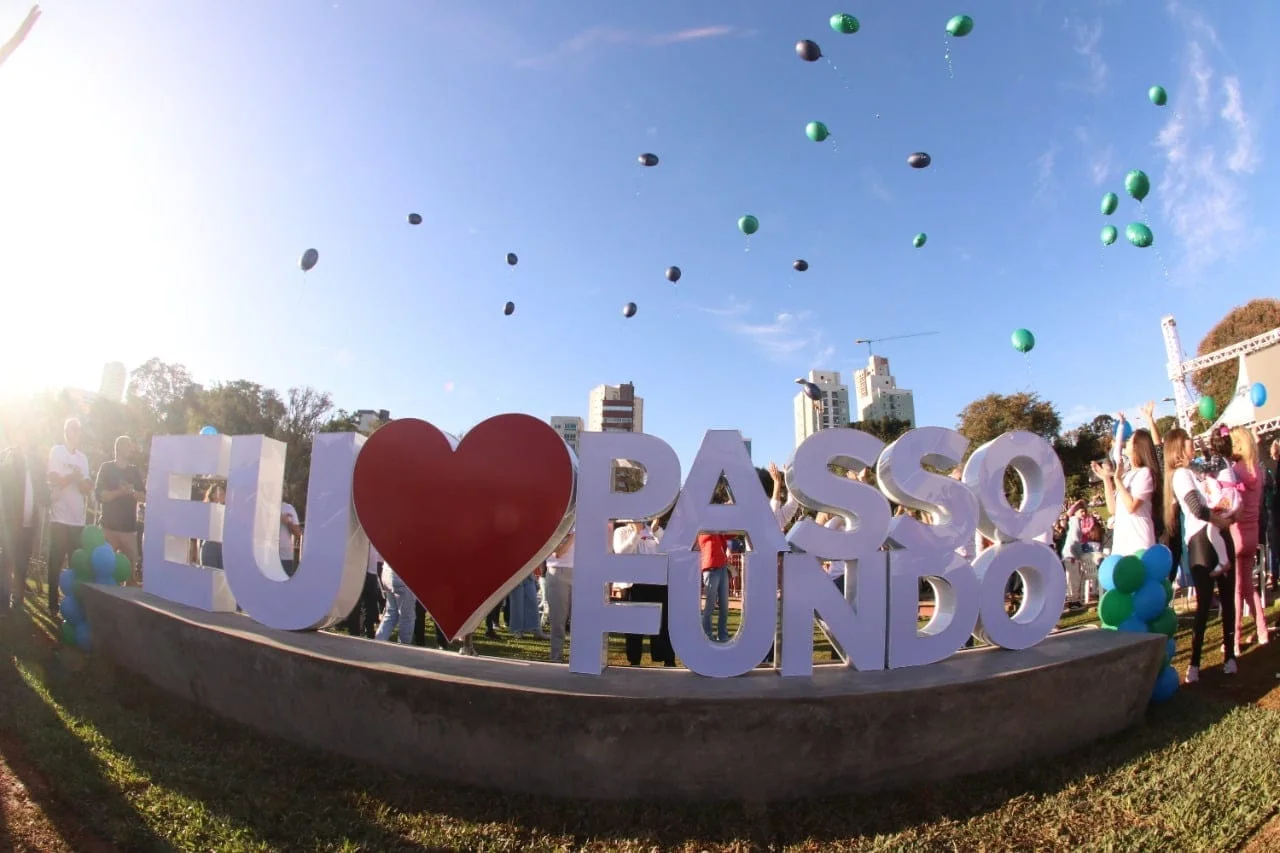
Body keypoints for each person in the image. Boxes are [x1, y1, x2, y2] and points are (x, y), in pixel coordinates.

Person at [1163, 428, 1236, 684]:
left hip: (1219, 534)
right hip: (1201, 541)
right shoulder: (1180, 475)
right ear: (1178, 448)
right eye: (1188, 442)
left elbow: (1218, 494)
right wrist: (1220, 521)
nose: (1193, 445)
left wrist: (1229, 512)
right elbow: (1196, 508)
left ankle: (1230, 656)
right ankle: (1194, 662)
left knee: (1227, 598)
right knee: (1204, 602)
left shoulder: (1196, 470)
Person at [1093, 420, 1163, 557]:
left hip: (1139, 542)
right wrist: (1106, 480)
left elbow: (1132, 506)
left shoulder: (1145, 473)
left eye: (1130, 440)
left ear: (1138, 447)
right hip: (1122, 543)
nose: (1127, 442)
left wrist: (1117, 480)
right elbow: (1113, 510)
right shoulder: (1126, 475)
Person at [613, 515, 676, 666]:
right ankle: (634, 661)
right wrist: (636, 533)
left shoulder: (652, 530)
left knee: (663, 623)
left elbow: (668, 549)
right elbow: (621, 552)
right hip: (634, 584)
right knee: (634, 625)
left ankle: (668, 659)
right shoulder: (621, 532)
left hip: (656, 582)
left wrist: (656, 530)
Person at [1229, 427, 1269, 655]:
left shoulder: (1235, 471)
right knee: (1247, 586)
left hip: (1236, 533)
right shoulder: (1258, 470)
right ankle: (1262, 630)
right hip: (1253, 533)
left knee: (1235, 590)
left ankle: (1234, 640)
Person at [46, 418, 90, 616]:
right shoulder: (57, 451)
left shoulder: (83, 458)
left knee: (76, 565)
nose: (76, 433)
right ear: (65, 432)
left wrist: (78, 480)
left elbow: (86, 488)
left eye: (78, 430)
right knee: (55, 562)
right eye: (72, 429)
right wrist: (73, 477)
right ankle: (52, 604)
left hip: (77, 520)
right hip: (59, 518)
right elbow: (54, 479)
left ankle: (74, 605)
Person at [0, 421, 42, 611]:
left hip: (29, 523)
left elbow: (40, 488)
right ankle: (3, 602)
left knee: (22, 563)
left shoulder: (34, 460)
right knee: (7, 561)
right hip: (11, 522)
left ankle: (18, 600)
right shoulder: (9, 455)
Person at [94, 436, 145, 582]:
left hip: (129, 531)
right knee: (103, 572)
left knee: (130, 577)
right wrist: (119, 492)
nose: (132, 449)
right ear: (120, 448)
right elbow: (100, 495)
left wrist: (132, 492)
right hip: (108, 529)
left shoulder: (134, 471)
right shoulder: (106, 468)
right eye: (129, 445)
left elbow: (144, 496)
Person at [545, 529, 575, 662]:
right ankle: (556, 656)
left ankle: (579, 657)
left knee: (579, 619)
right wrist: (574, 534)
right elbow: (559, 552)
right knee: (558, 619)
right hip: (558, 572)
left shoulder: (585, 522)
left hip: (581, 572)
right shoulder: (557, 524)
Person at [279, 501, 302, 576]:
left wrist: (288, 522)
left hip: (284, 558)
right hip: (264, 555)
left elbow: (298, 533)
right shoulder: (261, 507)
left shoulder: (288, 508)